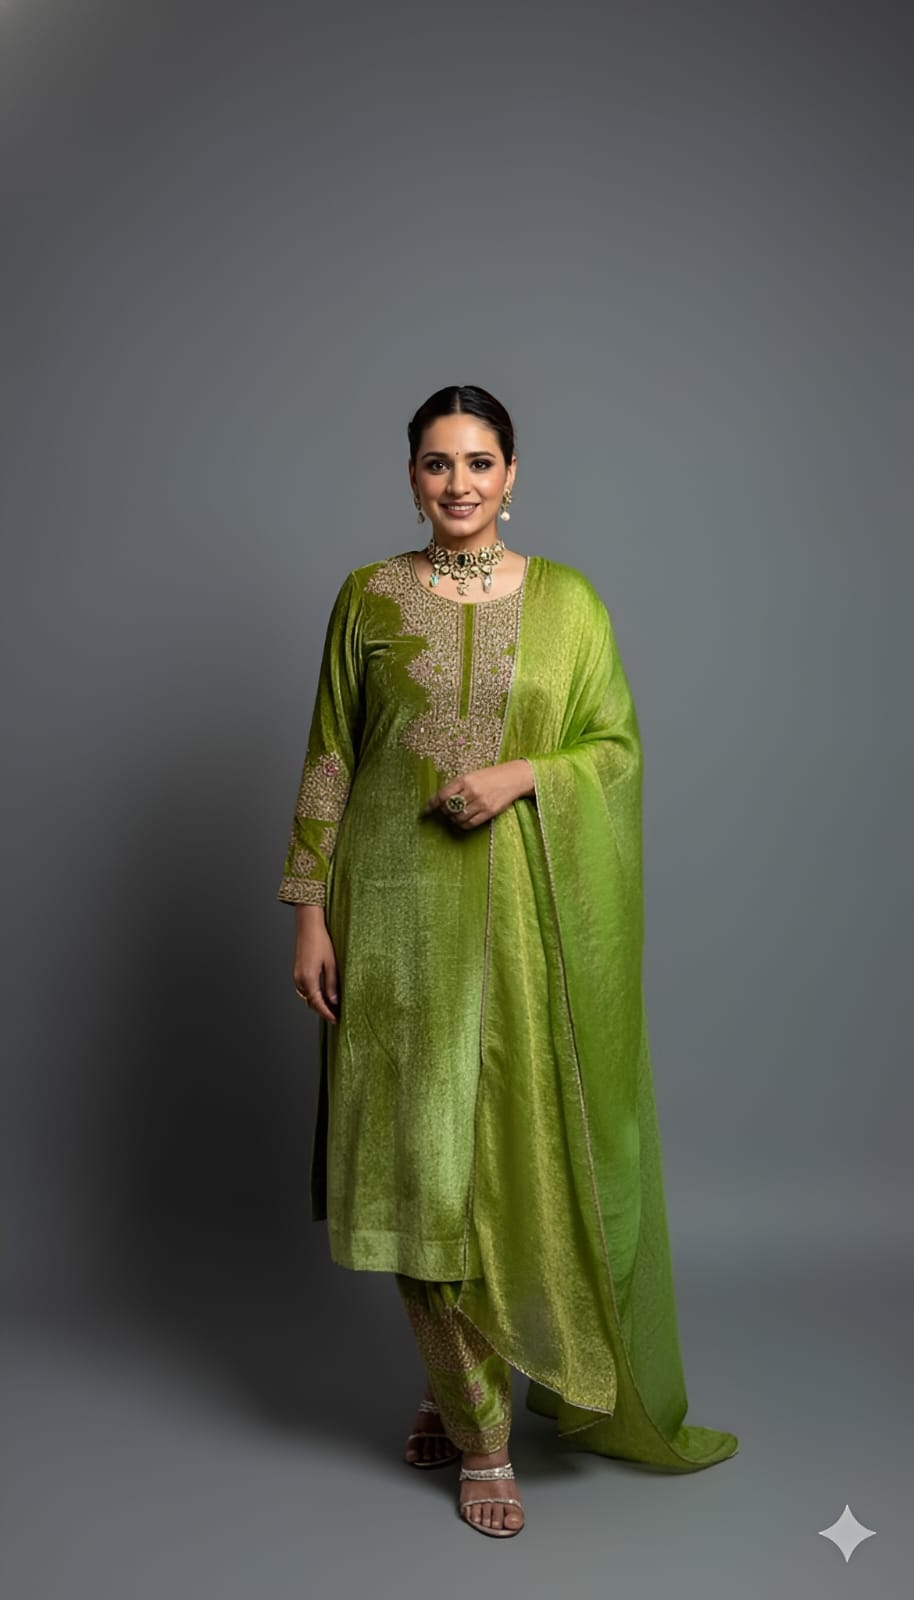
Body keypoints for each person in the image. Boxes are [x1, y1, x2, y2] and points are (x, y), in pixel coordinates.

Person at [276, 384, 739, 1540]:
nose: (458, 483)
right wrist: (308, 913)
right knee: (421, 1174)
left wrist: (522, 775)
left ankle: (455, 1388)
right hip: (394, 925)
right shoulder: (366, 597)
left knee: (504, 1171)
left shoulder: (570, 604)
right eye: (436, 463)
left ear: (513, 473)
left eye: (478, 461)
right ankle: (479, 1431)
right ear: (410, 477)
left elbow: (613, 750)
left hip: (525, 935)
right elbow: (331, 754)